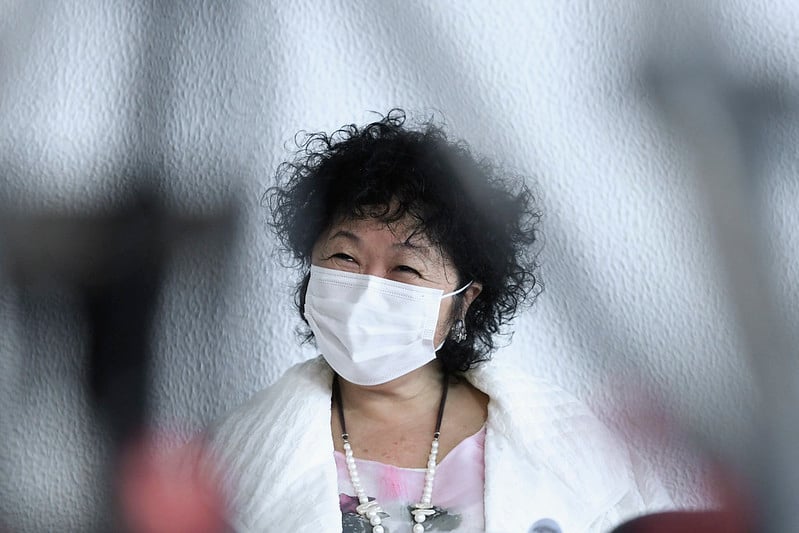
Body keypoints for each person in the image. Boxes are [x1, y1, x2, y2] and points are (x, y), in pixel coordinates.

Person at [203, 110, 672, 533]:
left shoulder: (575, 450)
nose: (369, 289)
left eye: (405, 269)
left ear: (464, 301)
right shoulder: (232, 459)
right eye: (344, 257)